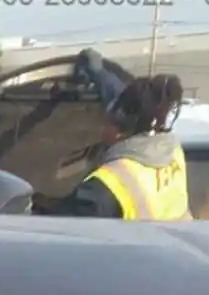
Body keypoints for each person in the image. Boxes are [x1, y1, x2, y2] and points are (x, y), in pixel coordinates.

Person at [42, 50, 191, 220]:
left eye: (106, 122)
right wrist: (97, 73)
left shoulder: (106, 187)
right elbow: (120, 97)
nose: (102, 130)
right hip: (181, 243)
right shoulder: (171, 150)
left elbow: (55, 229)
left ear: (120, 131)